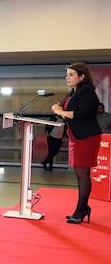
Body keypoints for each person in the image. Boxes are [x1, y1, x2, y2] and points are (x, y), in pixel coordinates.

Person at [51, 62, 102, 224]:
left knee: (83, 173)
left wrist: (61, 111)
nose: (67, 77)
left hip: (86, 138)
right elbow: (62, 108)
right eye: (67, 74)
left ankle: (81, 209)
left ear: (82, 76)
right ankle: (82, 208)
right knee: (80, 173)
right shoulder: (74, 92)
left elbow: (83, 114)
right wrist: (58, 108)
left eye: (71, 74)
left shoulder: (87, 92)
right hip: (76, 137)